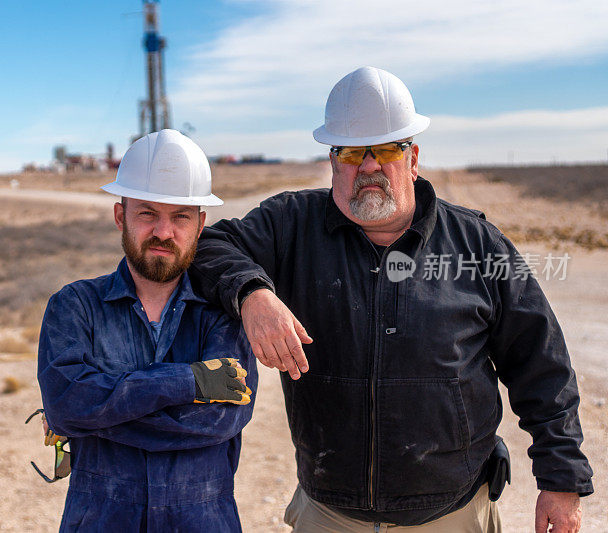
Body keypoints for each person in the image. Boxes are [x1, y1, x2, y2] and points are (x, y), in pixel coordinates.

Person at [189, 67, 593, 532]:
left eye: (385, 150)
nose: (368, 166)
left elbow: (542, 362)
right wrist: (253, 294)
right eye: (351, 152)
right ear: (332, 159)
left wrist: (562, 480)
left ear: (413, 156)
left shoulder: (479, 242)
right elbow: (206, 247)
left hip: (454, 513)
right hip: (329, 513)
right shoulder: (291, 225)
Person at [37, 129, 258, 532]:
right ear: (120, 215)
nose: (163, 231)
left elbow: (221, 422)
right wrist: (190, 381)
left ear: (200, 224)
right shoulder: (74, 306)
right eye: (147, 213)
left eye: (180, 217)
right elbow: (67, 403)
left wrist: (91, 412)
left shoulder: (221, 315)